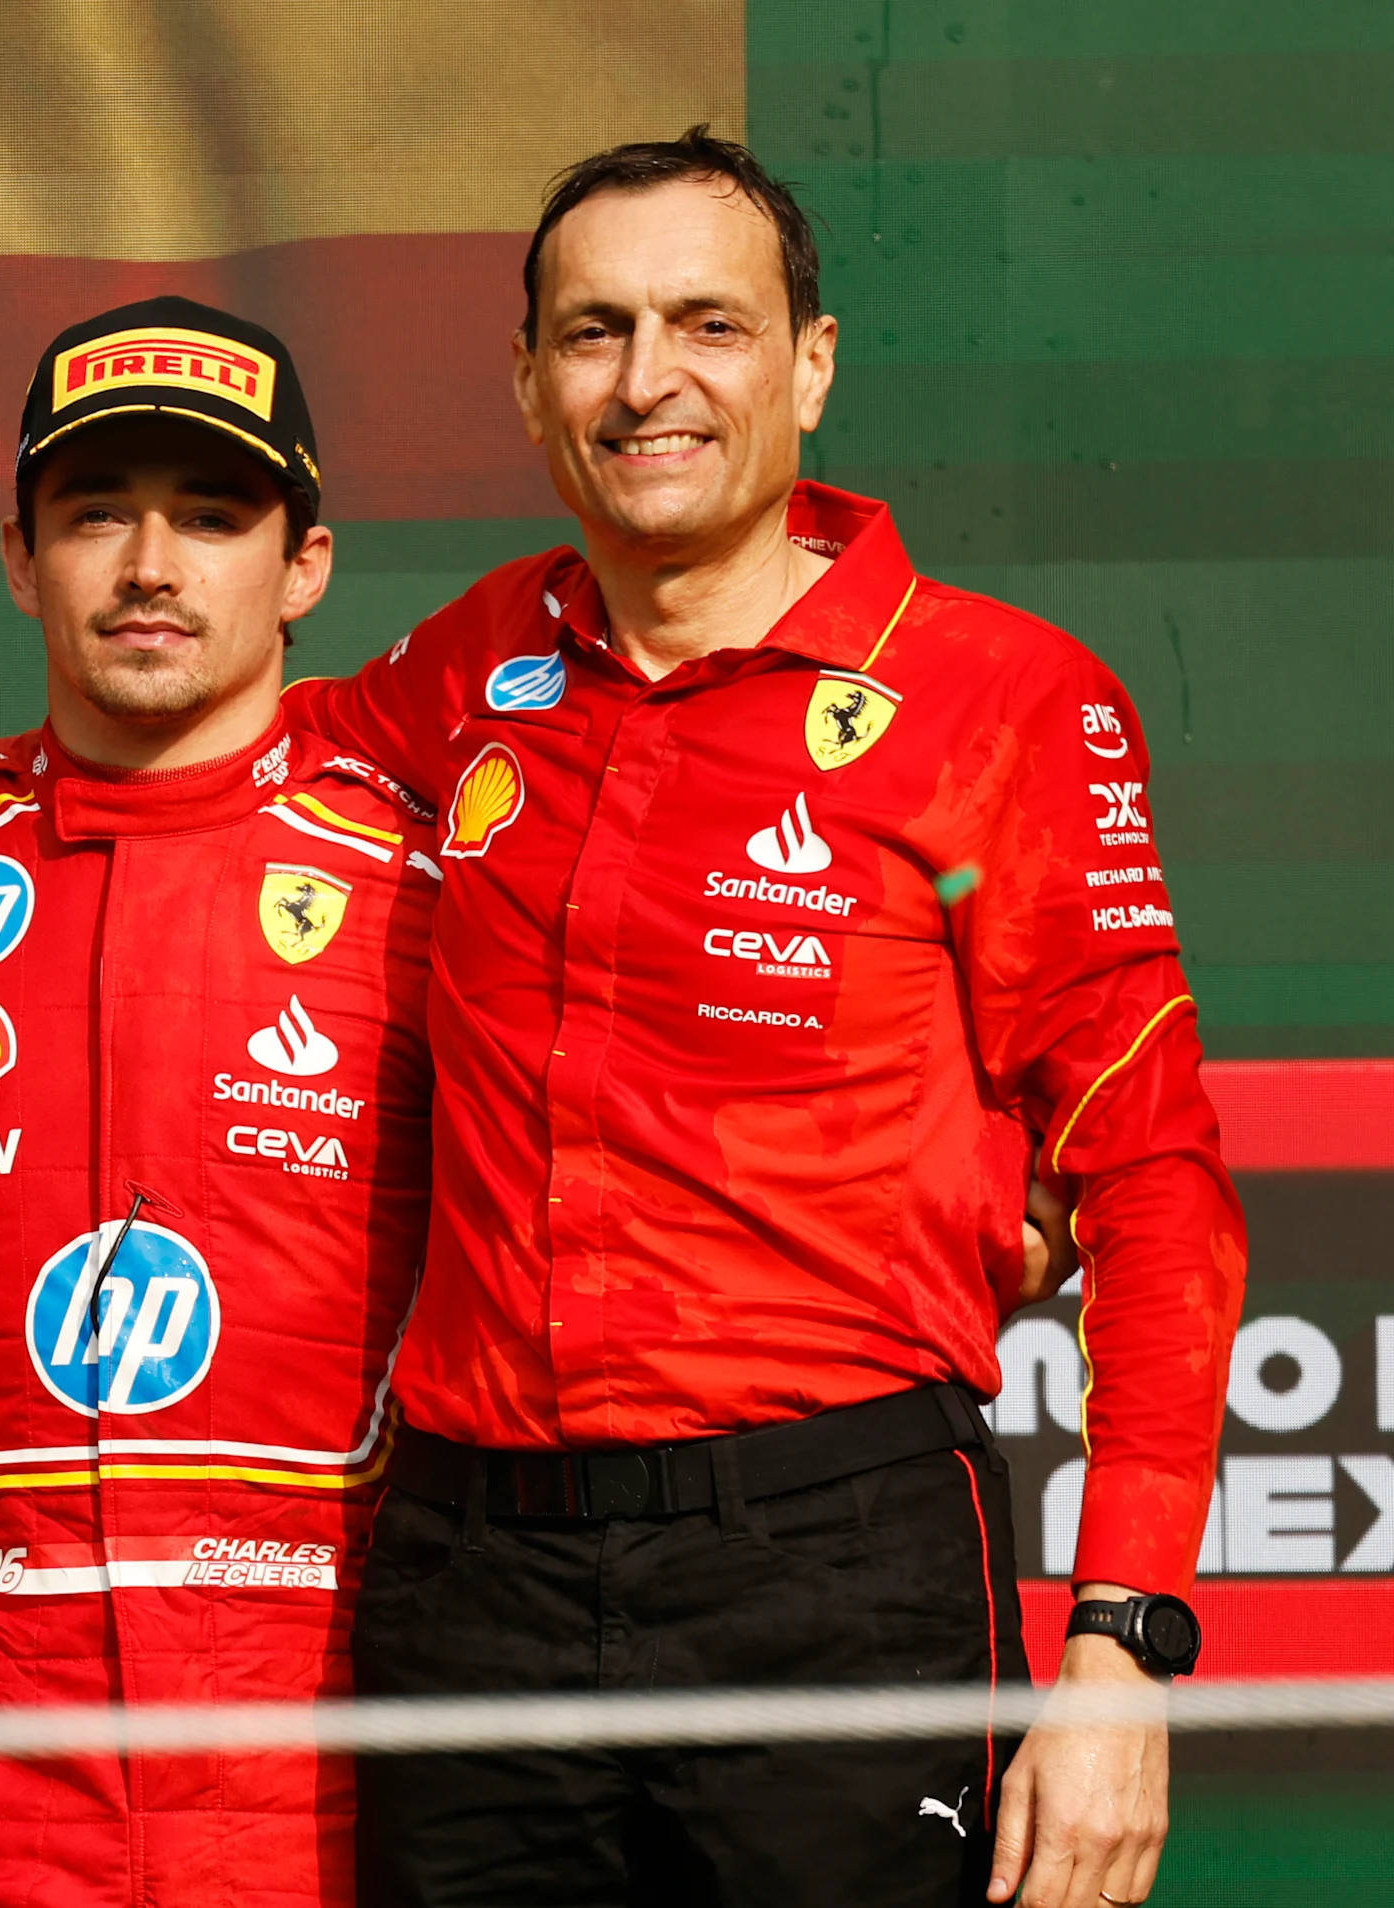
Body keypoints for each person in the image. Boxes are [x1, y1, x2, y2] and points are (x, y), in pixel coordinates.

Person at [282, 130, 1245, 1908]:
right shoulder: (478, 659)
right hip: (470, 1579)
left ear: (810, 363)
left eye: (707, 325)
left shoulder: (1000, 697)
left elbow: (1154, 1179)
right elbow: (188, 757)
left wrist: (1124, 1645)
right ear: (528, 380)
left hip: (833, 1565)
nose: (647, 381)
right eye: (595, 332)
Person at [0, 298, 436, 1907]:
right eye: (98, 514)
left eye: (212, 517)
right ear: (20, 559)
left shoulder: (431, 883)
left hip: (340, 1752)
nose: (152, 565)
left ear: (306, 566)